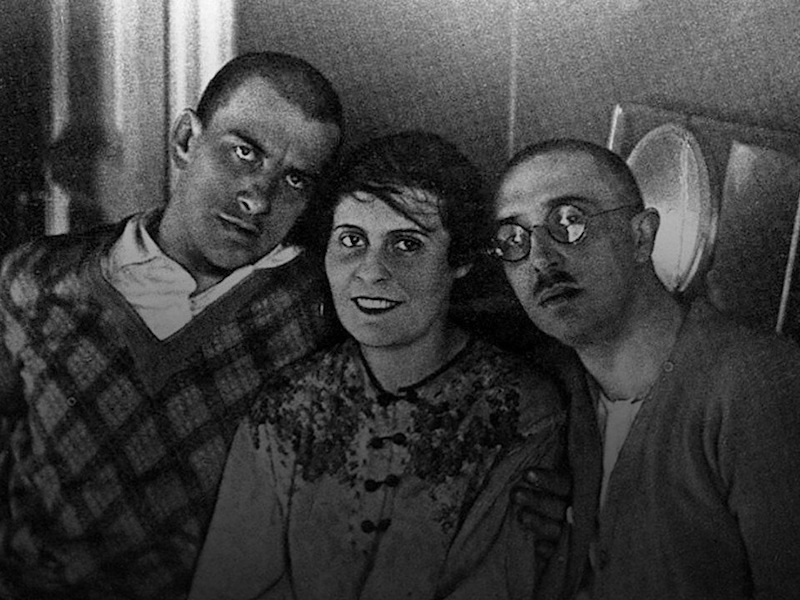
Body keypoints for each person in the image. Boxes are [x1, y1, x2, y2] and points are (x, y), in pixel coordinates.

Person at [0, 52, 343, 599]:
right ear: (186, 140)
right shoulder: (34, 279)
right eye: (244, 152)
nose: (258, 199)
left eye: (295, 180)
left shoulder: (321, 307)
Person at [188, 131, 565, 600]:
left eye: (406, 245)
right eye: (351, 240)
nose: (370, 270)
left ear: (461, 260)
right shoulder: (287, 407)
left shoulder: (522, 411)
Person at [490, 138, 800, 599]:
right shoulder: (552, 394)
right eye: (514, 240)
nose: (540, 259)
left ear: (641, 236)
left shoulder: (756, 383)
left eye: (569, 221)